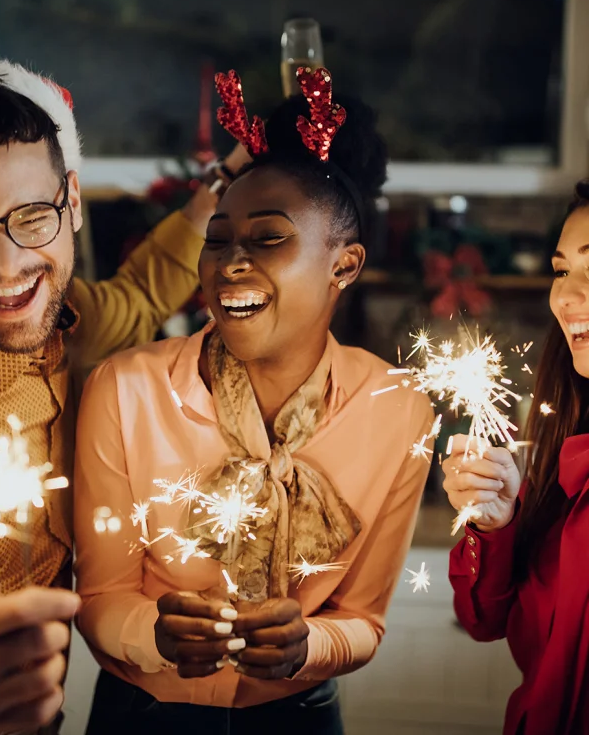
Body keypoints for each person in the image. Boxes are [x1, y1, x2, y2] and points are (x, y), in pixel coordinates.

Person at [74, 68, 433, 735]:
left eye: (268, 238)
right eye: (216, 240)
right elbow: (98, 600)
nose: (230, 261)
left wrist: (309, 647)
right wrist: (153, 632)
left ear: (344, 265)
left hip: (299, 717)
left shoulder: (399, 408)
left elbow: (363, 620)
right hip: (141, 716)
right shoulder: (125, 390)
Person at [0, 57, 243, 735]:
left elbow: (143, 290)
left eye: (31, 215)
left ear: (72, 203)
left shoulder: (73, 318)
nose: (6, 263)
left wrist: (235, 170)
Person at [444, 181, 589, 735]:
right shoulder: (560, 447)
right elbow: (485, 621)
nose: (567, 296)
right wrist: (496, 524)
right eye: (560, 271)